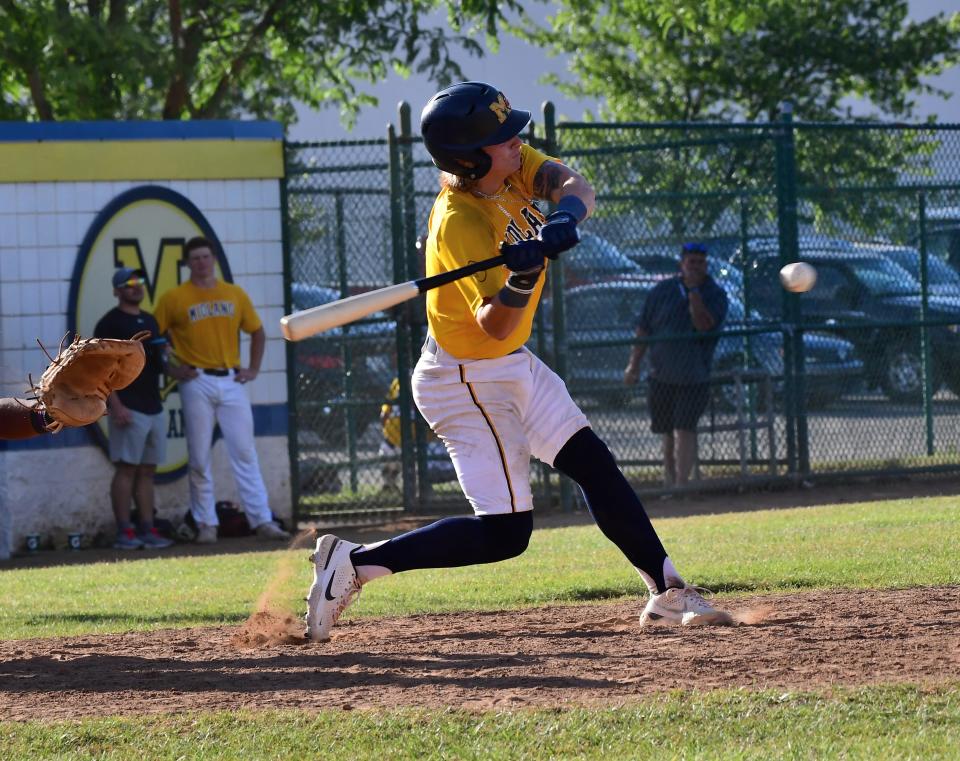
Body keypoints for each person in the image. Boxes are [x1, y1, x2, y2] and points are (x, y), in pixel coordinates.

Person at [304, 81, 732, 642]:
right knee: (506, 533)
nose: (518, 143)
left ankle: (667, 592)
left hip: (508, 363)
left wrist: (566, 219)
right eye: (505, 138)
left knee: (593, 463)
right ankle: (355, 564)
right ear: (469, 156)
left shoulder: (506, 168)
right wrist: (523, 275)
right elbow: (494, 322)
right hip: (464, 377)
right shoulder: (458, 222)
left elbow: (575, 185)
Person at [154, 236, 290, 544]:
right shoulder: (174, 298)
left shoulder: (233, 293)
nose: (201, 262)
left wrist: (253, 369)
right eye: (195, 258)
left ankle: (262, 520)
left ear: (213, 259)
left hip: (231, 378)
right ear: (187, 263)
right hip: (195, 379)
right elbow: (153, 339)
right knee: (199, 456)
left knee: (244, 451)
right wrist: (172, 369)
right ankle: (206, 524)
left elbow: (257, 331)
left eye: (205, 256)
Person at [624, 242, 729, 488]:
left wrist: (693, 293)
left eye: (700, 262)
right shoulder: (662, 290)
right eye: (691, 261)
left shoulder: (714, 293)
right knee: (667, 430)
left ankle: (682, 484)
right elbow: (643, 329)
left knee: (685, 427)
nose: (696, 266)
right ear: (681, 263)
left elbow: (704, 325)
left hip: (695, 375)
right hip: (661, 373)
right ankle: (669, 483)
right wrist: (633, 365)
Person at [94, 267, 174, 550]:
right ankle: (124, 532)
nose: (135, 287)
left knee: (147, 471)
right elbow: (99, 369)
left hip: (153, 405)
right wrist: (114, 405)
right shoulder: (109, 324)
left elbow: (160, 362)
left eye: (138, 282)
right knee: (126, 469)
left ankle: (147, 528)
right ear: (116, 291)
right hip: (128, 407)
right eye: (127, 284)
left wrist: (179, 367)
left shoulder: (149, 320)